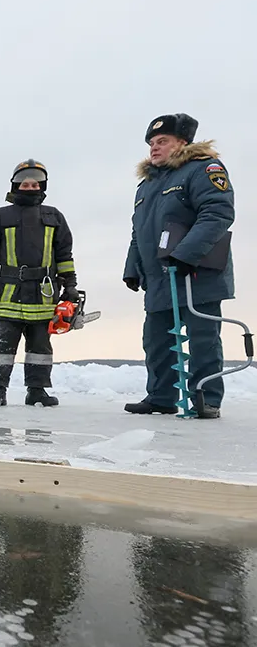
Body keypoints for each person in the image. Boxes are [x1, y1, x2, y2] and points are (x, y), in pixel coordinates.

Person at [122, 114, 235, 419]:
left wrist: (186, 254)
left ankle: (205, 398)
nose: (154, 148)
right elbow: (139, 232)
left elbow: (217, 213)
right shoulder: (146, 187)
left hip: (197, 274)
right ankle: (161, 397)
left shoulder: (203, 170)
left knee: (202, 339)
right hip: (159, 277)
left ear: (182, 143)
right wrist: (132, 267)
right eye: (151, 143)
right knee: (157, 341)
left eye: (162, 141)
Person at [0, 160, 78, 407]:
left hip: (44, 293)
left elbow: (64, 255)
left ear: (41, 186)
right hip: (7, 291)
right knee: (2, 345)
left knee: (40, 347)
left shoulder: (55, 217)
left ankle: (37, 391)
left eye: (35, 183)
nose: (30, 187)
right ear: (15, 185)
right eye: (25, 183)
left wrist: (70, 285)